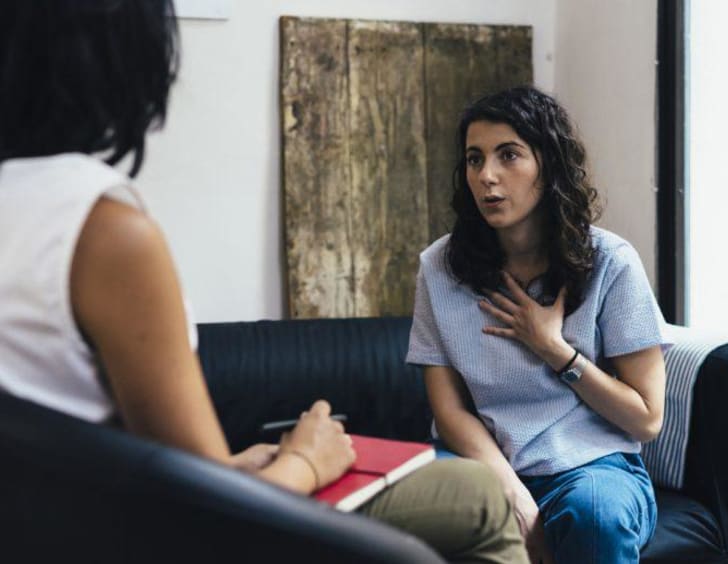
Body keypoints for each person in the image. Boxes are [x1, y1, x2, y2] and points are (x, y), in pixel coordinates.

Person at [0, 2, 529, 563]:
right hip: (129, 536)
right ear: (123, 55)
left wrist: (232, 466)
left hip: (57, 528)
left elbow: (104, 455)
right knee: (479, 498)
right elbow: (202, 515)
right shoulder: (103, 233)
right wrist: (304, 460)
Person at [407, 86, 669, 564]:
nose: (487, 176)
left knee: (595, 516)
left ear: (548, 165)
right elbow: (449, 412)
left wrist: (554, 348)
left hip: (592, 467)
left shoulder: (612, 263)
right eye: (474, 158)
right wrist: (507, 488)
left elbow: (647, 419)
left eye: (509, 155)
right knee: (408, 519)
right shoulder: (439, 268)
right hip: (478, 462)